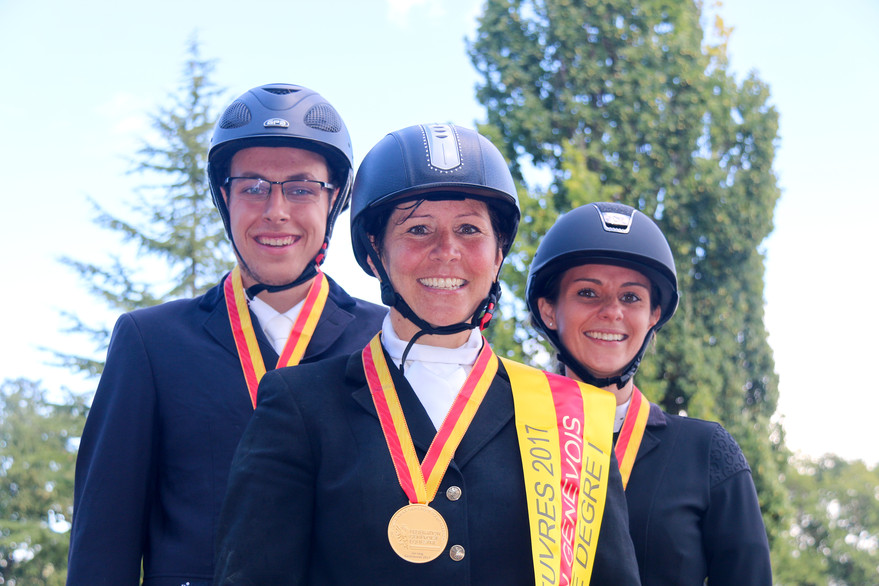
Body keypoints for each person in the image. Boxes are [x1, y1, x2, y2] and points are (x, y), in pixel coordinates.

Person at [214, 124, 641, 585]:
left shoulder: (570, 416)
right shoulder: (299, 405)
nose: (447, 251)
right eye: (418, 229)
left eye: (469, 230)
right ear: (375, 253)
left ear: (498, 254)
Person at [66, 83, 386, 585]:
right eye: (253, 187)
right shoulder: (150, 343)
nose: (276, 210)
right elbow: (102, 547)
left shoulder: (384, 340)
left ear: (334, 200)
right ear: (224, 197)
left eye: (301, 188)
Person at [526, 202, 773, 585]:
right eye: (588, 292)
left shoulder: (707, 453)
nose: (612, 311)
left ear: (653, 315)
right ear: (548, 310)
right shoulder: (507, 437)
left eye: (631, 297)